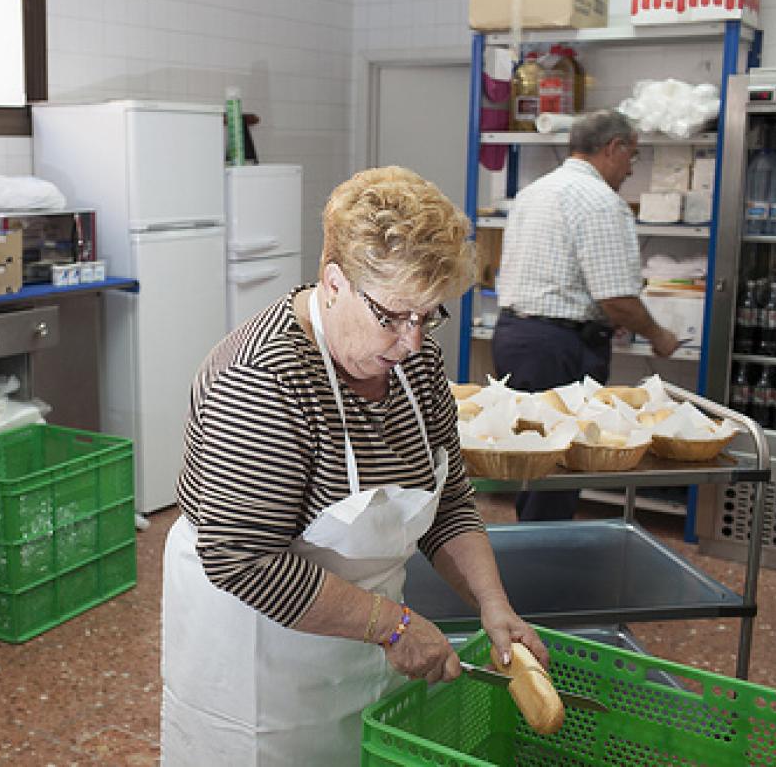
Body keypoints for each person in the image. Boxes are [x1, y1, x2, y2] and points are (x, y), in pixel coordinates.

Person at [160, 166, 546, 765]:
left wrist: (493, 604)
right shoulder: (263, 379)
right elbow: (241, 557)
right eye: (392, 316)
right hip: (260, 655)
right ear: (334, 282)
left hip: (366, 634)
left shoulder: (410, 361)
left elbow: (447, 501)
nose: (413, 342)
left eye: (428, 315)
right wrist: (391, 626)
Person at [492, 109, 680, 522]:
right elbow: (617, 299)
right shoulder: (600, 202)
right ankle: (546, 562)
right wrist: (658, 335)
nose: (632, 167)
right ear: (613, 148)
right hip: (559, 346)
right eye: (632, 155)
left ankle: (531, 550)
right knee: (561, 462)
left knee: (534, 456)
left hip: (516, 334)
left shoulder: (534, 191)